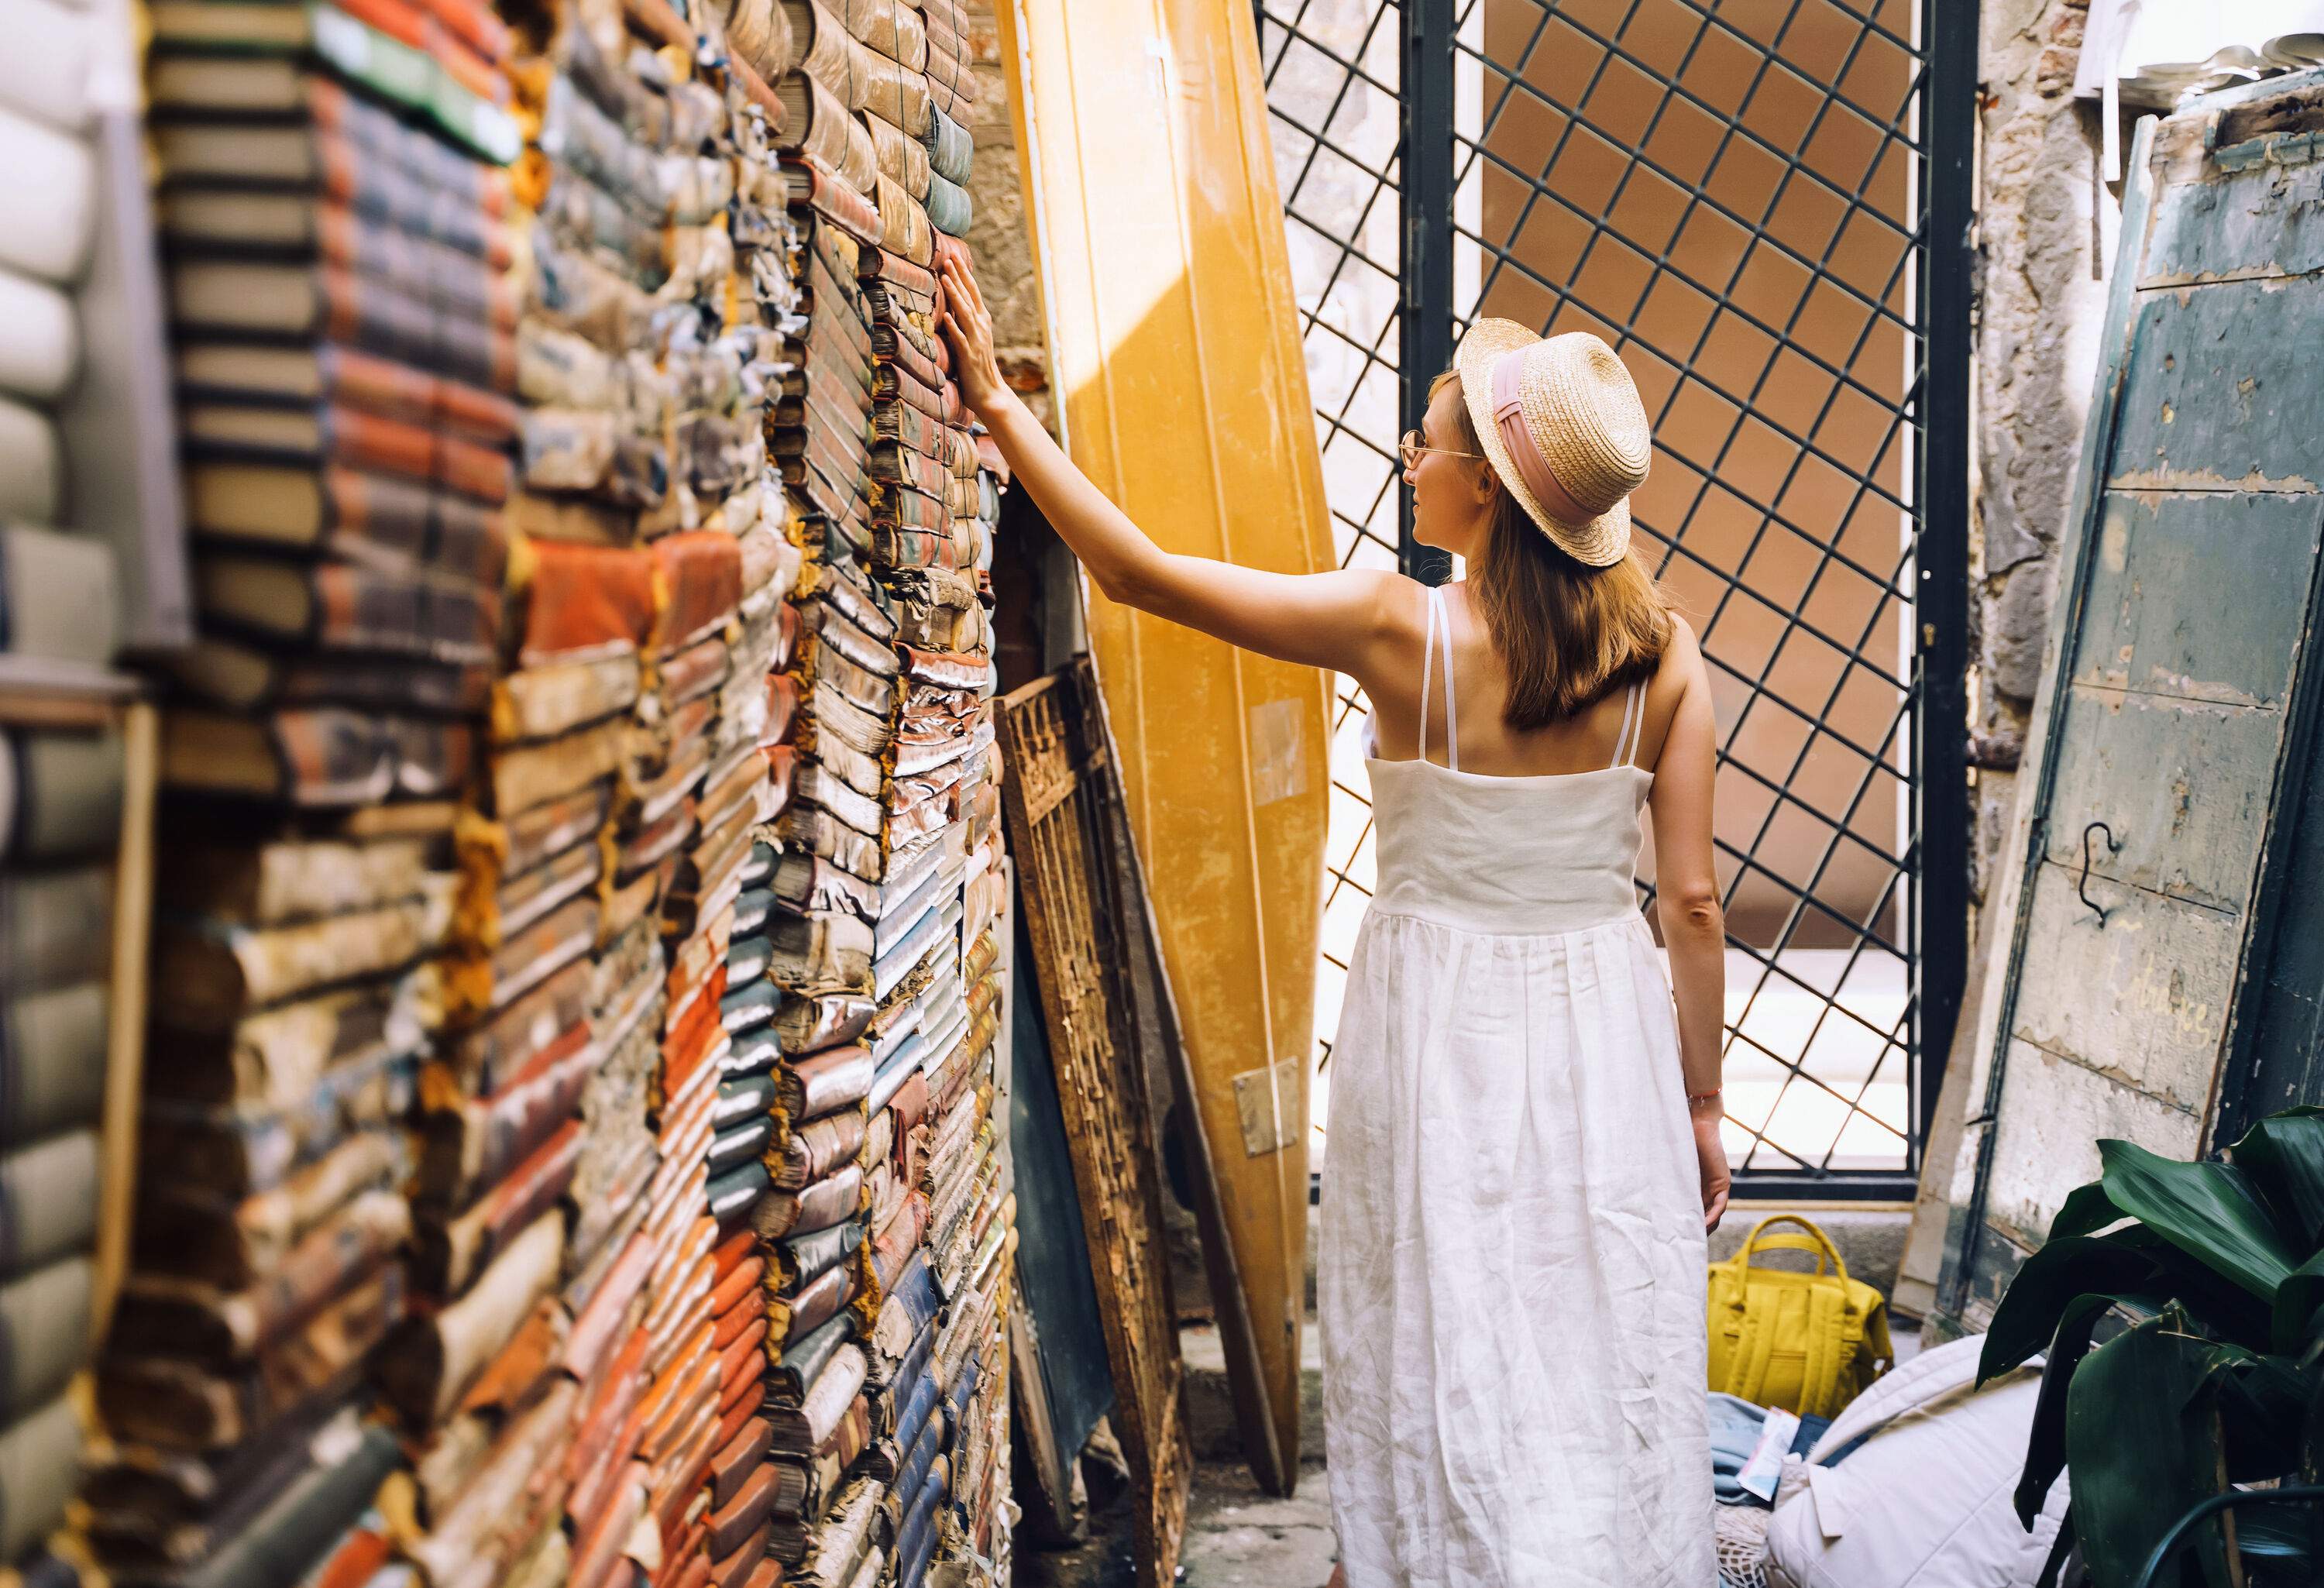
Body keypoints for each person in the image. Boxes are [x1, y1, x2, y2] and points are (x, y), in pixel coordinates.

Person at [939, 258, 1724, 1588]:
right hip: (1602, 1024)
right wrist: (1703, 1105)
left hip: (1434, 1024)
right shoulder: (1667, 655)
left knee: (1433, 1315)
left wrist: (1003, 418)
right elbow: (1694, 904)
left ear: (1488, 489)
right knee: (1590, 1325)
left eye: (1430, 441)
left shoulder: (1392, 625)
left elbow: (1138, 577)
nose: (1410, 456)